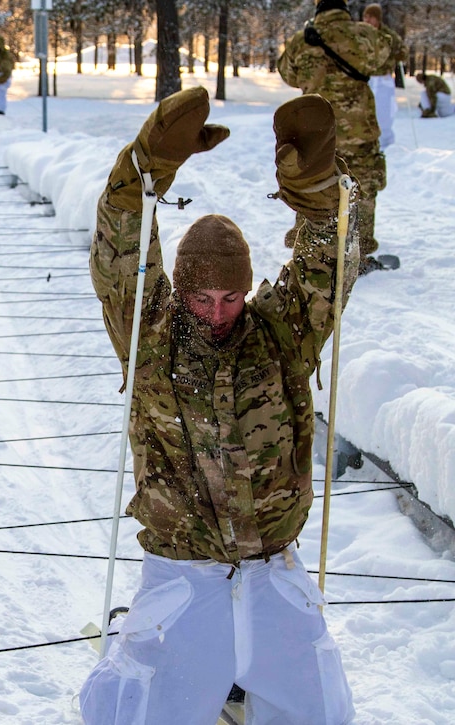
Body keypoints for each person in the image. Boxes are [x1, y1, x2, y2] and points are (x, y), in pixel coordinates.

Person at [79, 87, 358, 724]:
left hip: (270, 569)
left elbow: (331, 263)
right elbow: (119, 253)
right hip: (184, 577)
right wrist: (145, 169)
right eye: (202, 297)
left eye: (231, 297)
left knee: (321, 711)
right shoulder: (149, 332)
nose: (217, 312)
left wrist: (316, 191)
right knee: (141, 713)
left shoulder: (279, 334)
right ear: (179, 287)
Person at [278, 0, 393, 272]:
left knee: (311, 190)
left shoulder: (300, 40)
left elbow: (287, 74)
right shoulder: (364, 35)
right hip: (358, 133)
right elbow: (387, 52)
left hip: (314, 134)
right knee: (362, 190)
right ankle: (358, 255)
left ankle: (308, 255)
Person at [362, 4, 404, 149]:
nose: (367, 20)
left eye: (370, 17)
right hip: (366, 78)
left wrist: (396, 54)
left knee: (384, 112)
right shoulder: (361, 34)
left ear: (377, 18)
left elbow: (402, 52)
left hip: (383, 79)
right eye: (365, 17)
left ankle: (386, 144)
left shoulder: (389, 35)